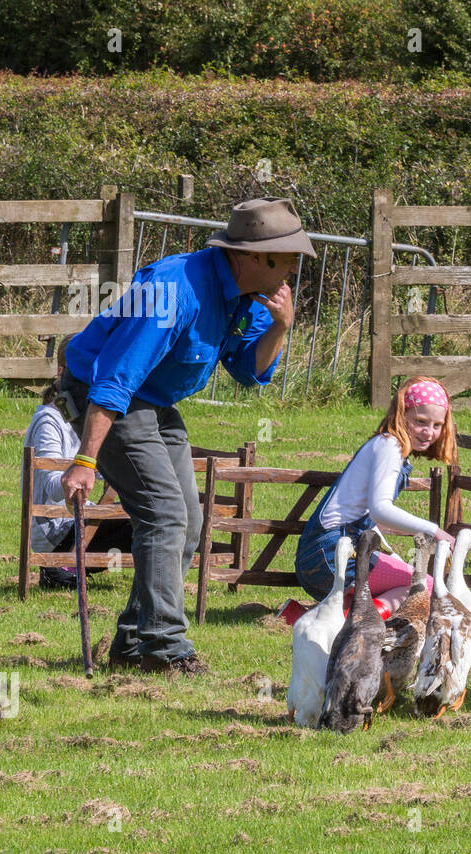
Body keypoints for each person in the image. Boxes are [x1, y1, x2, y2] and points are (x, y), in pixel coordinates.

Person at [59, 197, 314, 674]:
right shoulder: (171, 289)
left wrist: (280, 328)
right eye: (288, 258)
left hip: (154, 400)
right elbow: (115, 377)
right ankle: (165, 648)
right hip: (105, 395)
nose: (294, 270)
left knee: (190, 524)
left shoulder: (248, 296)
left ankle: (133, 643)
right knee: (163, 514)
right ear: (253, 256)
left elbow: (247, 370)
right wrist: (85, 460)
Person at [294, 376, 456, 613]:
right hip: (334, 554)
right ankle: (360, 626)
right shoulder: (390, 446)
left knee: (394, 582)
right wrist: (434, 531)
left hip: (319, 557)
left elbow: (371, 517)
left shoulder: (384, 444)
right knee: (426, 587)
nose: (428, 432)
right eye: (421, 421)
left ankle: (311, 617)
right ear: (402, 415)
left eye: (437, 425)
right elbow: (380, 510)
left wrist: (392, 555)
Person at [23, 334, 132, 588]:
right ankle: (61, 566)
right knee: (142, 521)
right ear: (61, 372)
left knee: (143, 514)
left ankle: (70, 567)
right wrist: (86, 470)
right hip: (56, 531)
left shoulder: (85, 419)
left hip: (81, 518)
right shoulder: (49, 421)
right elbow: (51, 483)